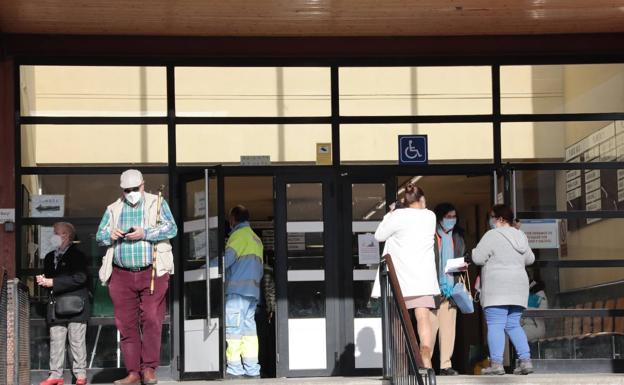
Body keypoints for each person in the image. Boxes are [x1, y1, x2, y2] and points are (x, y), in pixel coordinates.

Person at [96, 169, 177, 385]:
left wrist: (145, 233)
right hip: (121, 275)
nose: (131, 193)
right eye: (127, 190)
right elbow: (99, 236)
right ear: (122, 190)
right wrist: (109, 234)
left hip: (152, 271)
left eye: (135, 188)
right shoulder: (113, 208)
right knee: (126, 324)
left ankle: (149, 369)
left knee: (151, 318)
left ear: (143, 185)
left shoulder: (157, 202)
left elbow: (172, 228)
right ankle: (133, 372)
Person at [374, 184, 439, 368]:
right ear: (422, 199)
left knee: (397, 319)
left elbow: (379, 235)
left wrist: (391, 213)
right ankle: (425, 351)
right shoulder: (430, 216)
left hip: (401, 278)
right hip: (424, 277)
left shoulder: (398, 216)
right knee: (423, 316)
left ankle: (402, 359)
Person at [471, 204, 535, 375]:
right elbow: (530, 258)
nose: (490, 220)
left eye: (491, 216)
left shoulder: (492, 235)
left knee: (495, 325)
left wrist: (475, 250)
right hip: (519, 287)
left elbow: (477, 258)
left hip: (497, 287)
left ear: (499, 219)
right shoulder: (520, 235)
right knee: (513, 324)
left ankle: (497, 364)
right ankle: (526, 361)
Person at [37, 222, 89, 385]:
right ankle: (55, 376)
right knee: (56, 341)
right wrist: (43, 281)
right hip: (56, 305)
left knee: (77, 341)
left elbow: (80, 278)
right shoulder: (49, 257)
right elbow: (49, 279)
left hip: (76, 305)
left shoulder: (78, 256)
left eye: (56, 233)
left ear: (67, 236)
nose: (53, 236)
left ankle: (81, 376)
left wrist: (53, 282)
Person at [221, 205, 264, 378]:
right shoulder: (256, 238)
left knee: (233, 332)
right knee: (249, 333)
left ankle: (234, 368)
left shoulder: (238, 236)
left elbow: (226, 261)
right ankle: (252, 369)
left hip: (237, 292)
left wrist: (205, 265)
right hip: (252, 293)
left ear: (233, 219)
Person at [431, 203, 466, 376]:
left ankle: (445, 365)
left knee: (448, 329)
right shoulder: (430, 234)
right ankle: (426, 365)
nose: (451, 220)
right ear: (440, 217)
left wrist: (463, 265)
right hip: (433, 288)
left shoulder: (458, 236)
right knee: (429, 329)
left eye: (454, 216)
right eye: (448, 217)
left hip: (452, 289)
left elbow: (461, 255)